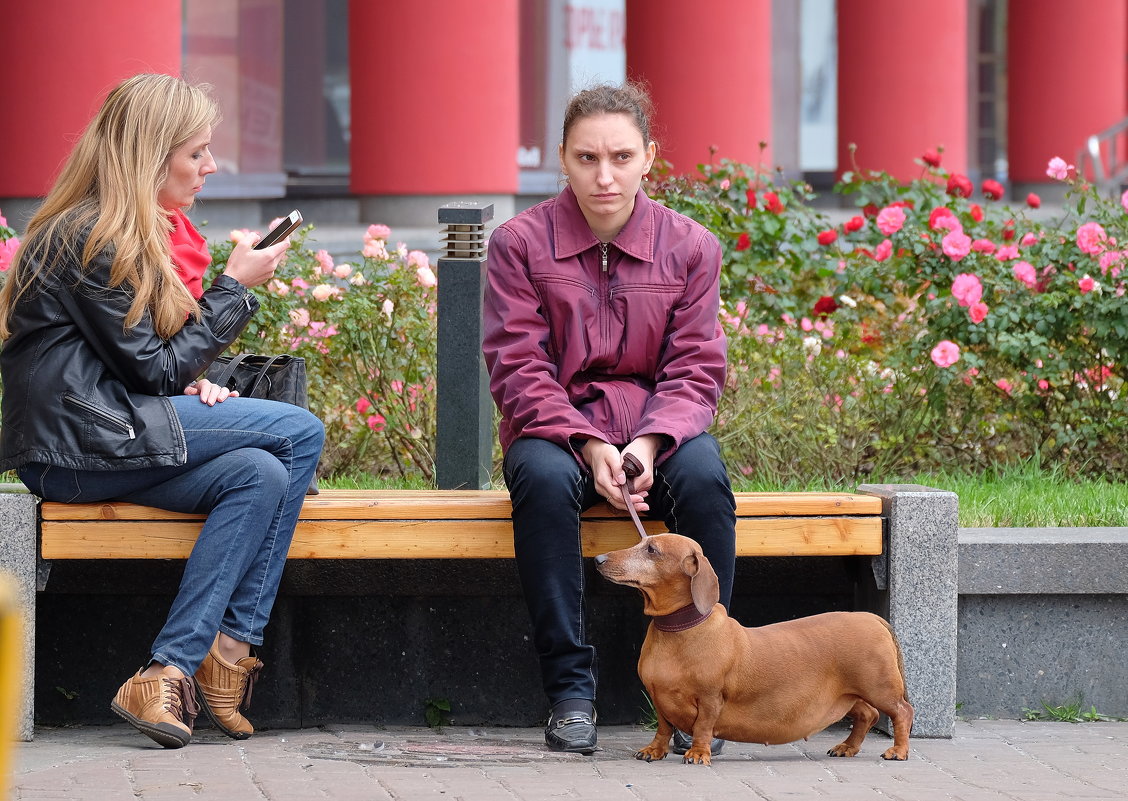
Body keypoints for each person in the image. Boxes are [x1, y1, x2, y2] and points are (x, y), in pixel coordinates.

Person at [0, 73, 324, 749]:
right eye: (196, 152)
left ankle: (168, 668)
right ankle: (230, 650)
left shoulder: (121, 230)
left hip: (104, 436)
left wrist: (190, 389)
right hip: (75, 451)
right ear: (151, 155)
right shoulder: (85, 235)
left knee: (257, 474)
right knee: (299, 432)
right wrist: (233, 289)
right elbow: (151, 366)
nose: (211, 167)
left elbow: (144, 365)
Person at [482, 83, 737, 754]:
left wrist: (649, 442)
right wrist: (591, 443)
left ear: (649, 158)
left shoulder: (691, 248)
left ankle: (709, 691)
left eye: (621, 156)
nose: (605, 175)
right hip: (557, 428)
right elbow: (517, 366)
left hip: (662, 427)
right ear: (562, 159)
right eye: (587, 157)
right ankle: (570, 692)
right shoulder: (519, 244)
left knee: (707, 476)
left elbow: (696, 367)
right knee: (537, 477)